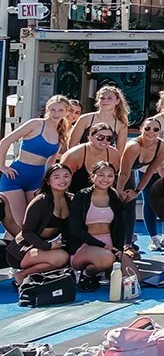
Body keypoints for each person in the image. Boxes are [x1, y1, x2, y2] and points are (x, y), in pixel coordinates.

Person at [0, 94, 68, 239]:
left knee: (33, 222)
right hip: (16, 177)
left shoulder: (61, 133)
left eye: (60, 110)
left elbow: (50, 163)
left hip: (37, 180)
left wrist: (47, 181)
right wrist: (2, 167)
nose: (56, 113)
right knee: (18, 224)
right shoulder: (35, 124)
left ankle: (14, 253)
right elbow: (5, 142)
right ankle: (11, 256)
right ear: (47, 109)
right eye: (53, 109)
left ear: (66, 112)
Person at [69, 160, 133, 279]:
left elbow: (120, 228)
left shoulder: (115, 198)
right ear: (92, 176)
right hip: (85, 245)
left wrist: (119, 249)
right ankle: (85, 274)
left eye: (110, 176)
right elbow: (75, 228)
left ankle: (103, 272)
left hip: (109, 246)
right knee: (107, 258)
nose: (105, 179)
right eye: (101, 175)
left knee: (133, 277)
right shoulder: (81, 196)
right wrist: (102, 245)